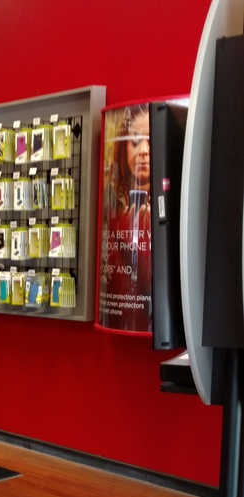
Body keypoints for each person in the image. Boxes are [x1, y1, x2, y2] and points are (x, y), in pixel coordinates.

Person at [99, 104, 151, 331]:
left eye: (150, 141)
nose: (144, 151)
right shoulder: (111, 204)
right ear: (123, 147)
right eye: (135, 141)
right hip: (119, 320)